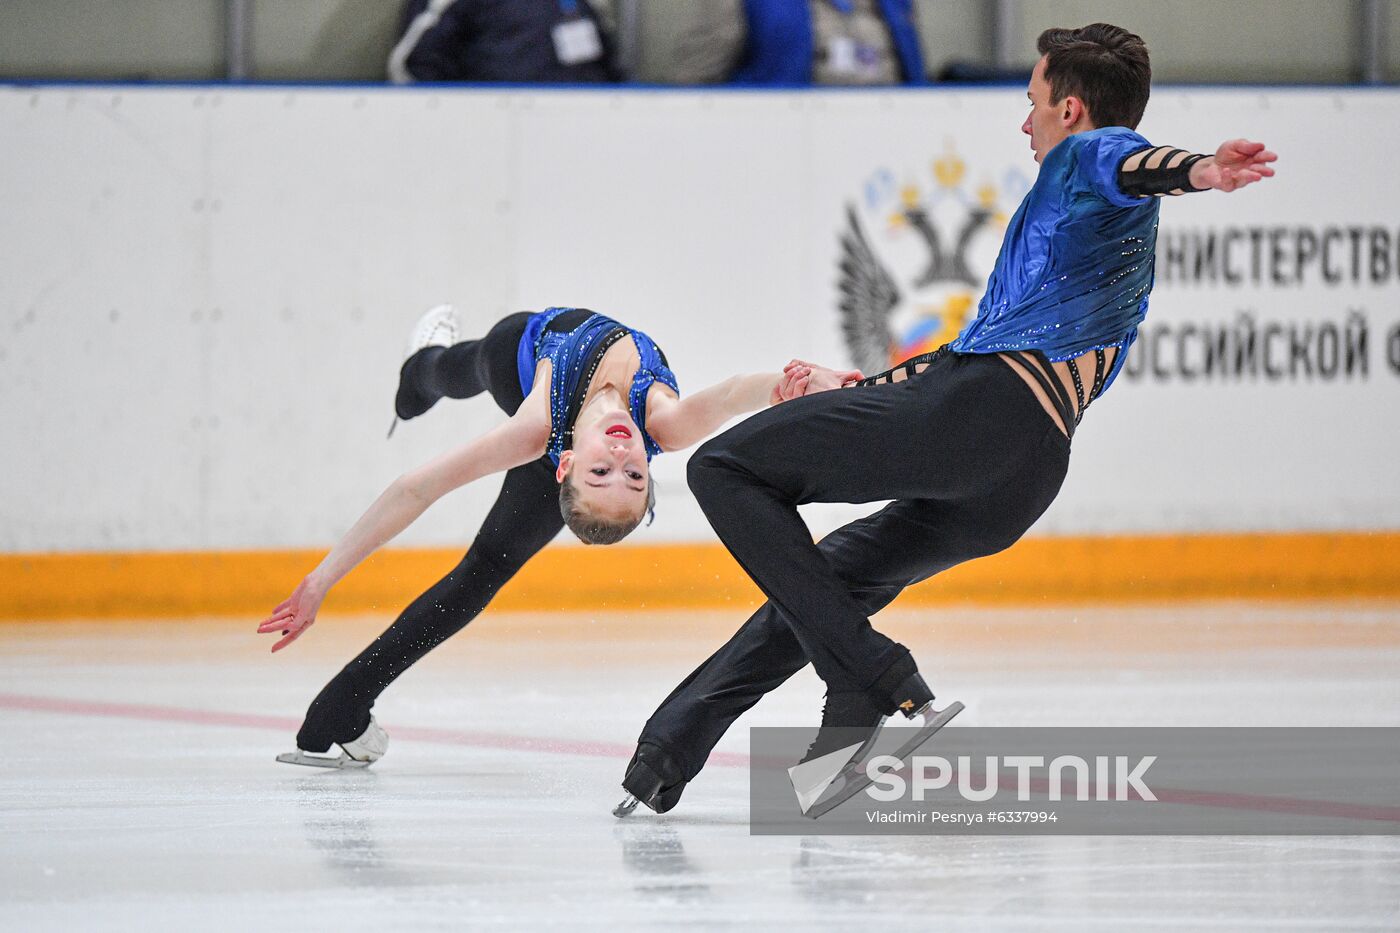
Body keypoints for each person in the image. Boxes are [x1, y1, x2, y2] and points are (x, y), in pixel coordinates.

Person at [615, 22, 1277, 815]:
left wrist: (1201, 169)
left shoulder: (1085, 157)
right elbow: (965, 354)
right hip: (1024, 471)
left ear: (1069, 108)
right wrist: (858, 386)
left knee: (722, 469)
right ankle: (693, 755)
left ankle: (879, 672)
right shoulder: (1087, 232)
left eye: (1031, 101)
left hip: (981, 413)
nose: (1023, 121)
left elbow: (1135, 161)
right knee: (830, 585)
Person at [259, 304, 838, 767]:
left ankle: (338, 708)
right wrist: (805, 384)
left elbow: (416, 489)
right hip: (552, 373)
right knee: (452, 396)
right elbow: (744, 392)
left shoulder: (535, 430)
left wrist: (319, 581)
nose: (618, 454)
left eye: (600, 472)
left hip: (520, 355)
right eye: (634, 474)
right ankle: (421, 377)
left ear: (564, 467)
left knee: (462, 386)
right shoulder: (666, 423)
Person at [388, 0, 617, 84]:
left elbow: (610, 70)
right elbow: (412, 67)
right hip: (490, 137)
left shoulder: (588, 3)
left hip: (579, 132)